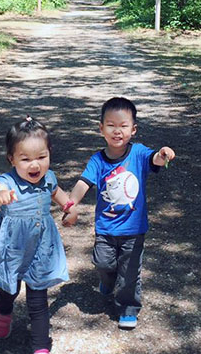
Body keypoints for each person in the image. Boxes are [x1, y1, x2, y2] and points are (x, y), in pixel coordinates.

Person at [61, 97, 175, 329]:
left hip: (134, 229)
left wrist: (162, 155)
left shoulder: (139, 153)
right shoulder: (97, 160)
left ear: (133, 130)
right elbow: (84, 183)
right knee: (103, 262)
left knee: (130, 271)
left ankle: (128, 307)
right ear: (101, 128)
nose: (117, 131)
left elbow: (154, 160)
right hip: (106, 227)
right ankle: (107, 280)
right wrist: (71, 202)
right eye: (111, 125)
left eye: (123, 126)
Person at [0, 116, 71, 354]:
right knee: (8, 290)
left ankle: (41, 352)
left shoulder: (48, 178)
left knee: (38, 300)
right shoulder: (7, 181)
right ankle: (3, 314)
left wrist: (69, 209)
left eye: (41, 157)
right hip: (13, 248)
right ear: (11, 159)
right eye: (26, 159)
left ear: (49, 154)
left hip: (40, 248)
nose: (35, 165)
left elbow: (59, 195)